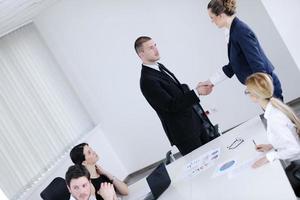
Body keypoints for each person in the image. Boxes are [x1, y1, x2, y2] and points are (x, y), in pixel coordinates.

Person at [134, 36, 218, 156]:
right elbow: (171, 105)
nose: (156, 50)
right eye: (151, 48)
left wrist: (195, 88)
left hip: (195, 123)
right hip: (184, 133)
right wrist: (196, 92)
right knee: (203, 166)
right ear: (141, 54)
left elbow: (176, 90)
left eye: (155, 45)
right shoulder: (147, 80)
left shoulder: (159, 66)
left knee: (214, 156)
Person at [201, 0, 283, 100]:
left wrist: (260, 88)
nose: (212, 21)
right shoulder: (232, 32)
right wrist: (210, 82)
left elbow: (257, 63)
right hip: (261, 85)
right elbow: (234, 65)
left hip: (265, 85)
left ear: (221, 15)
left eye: (212, 18)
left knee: (279, 115)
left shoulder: (240, 31)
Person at [245, 72, 300, 196]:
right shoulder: (275, 108)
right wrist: (271, 146)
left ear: (255, 95)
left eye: (247, 91)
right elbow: (289, 135)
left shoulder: (275, 118)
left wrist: (268, 157)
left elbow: (295, 148)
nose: (247, 94)